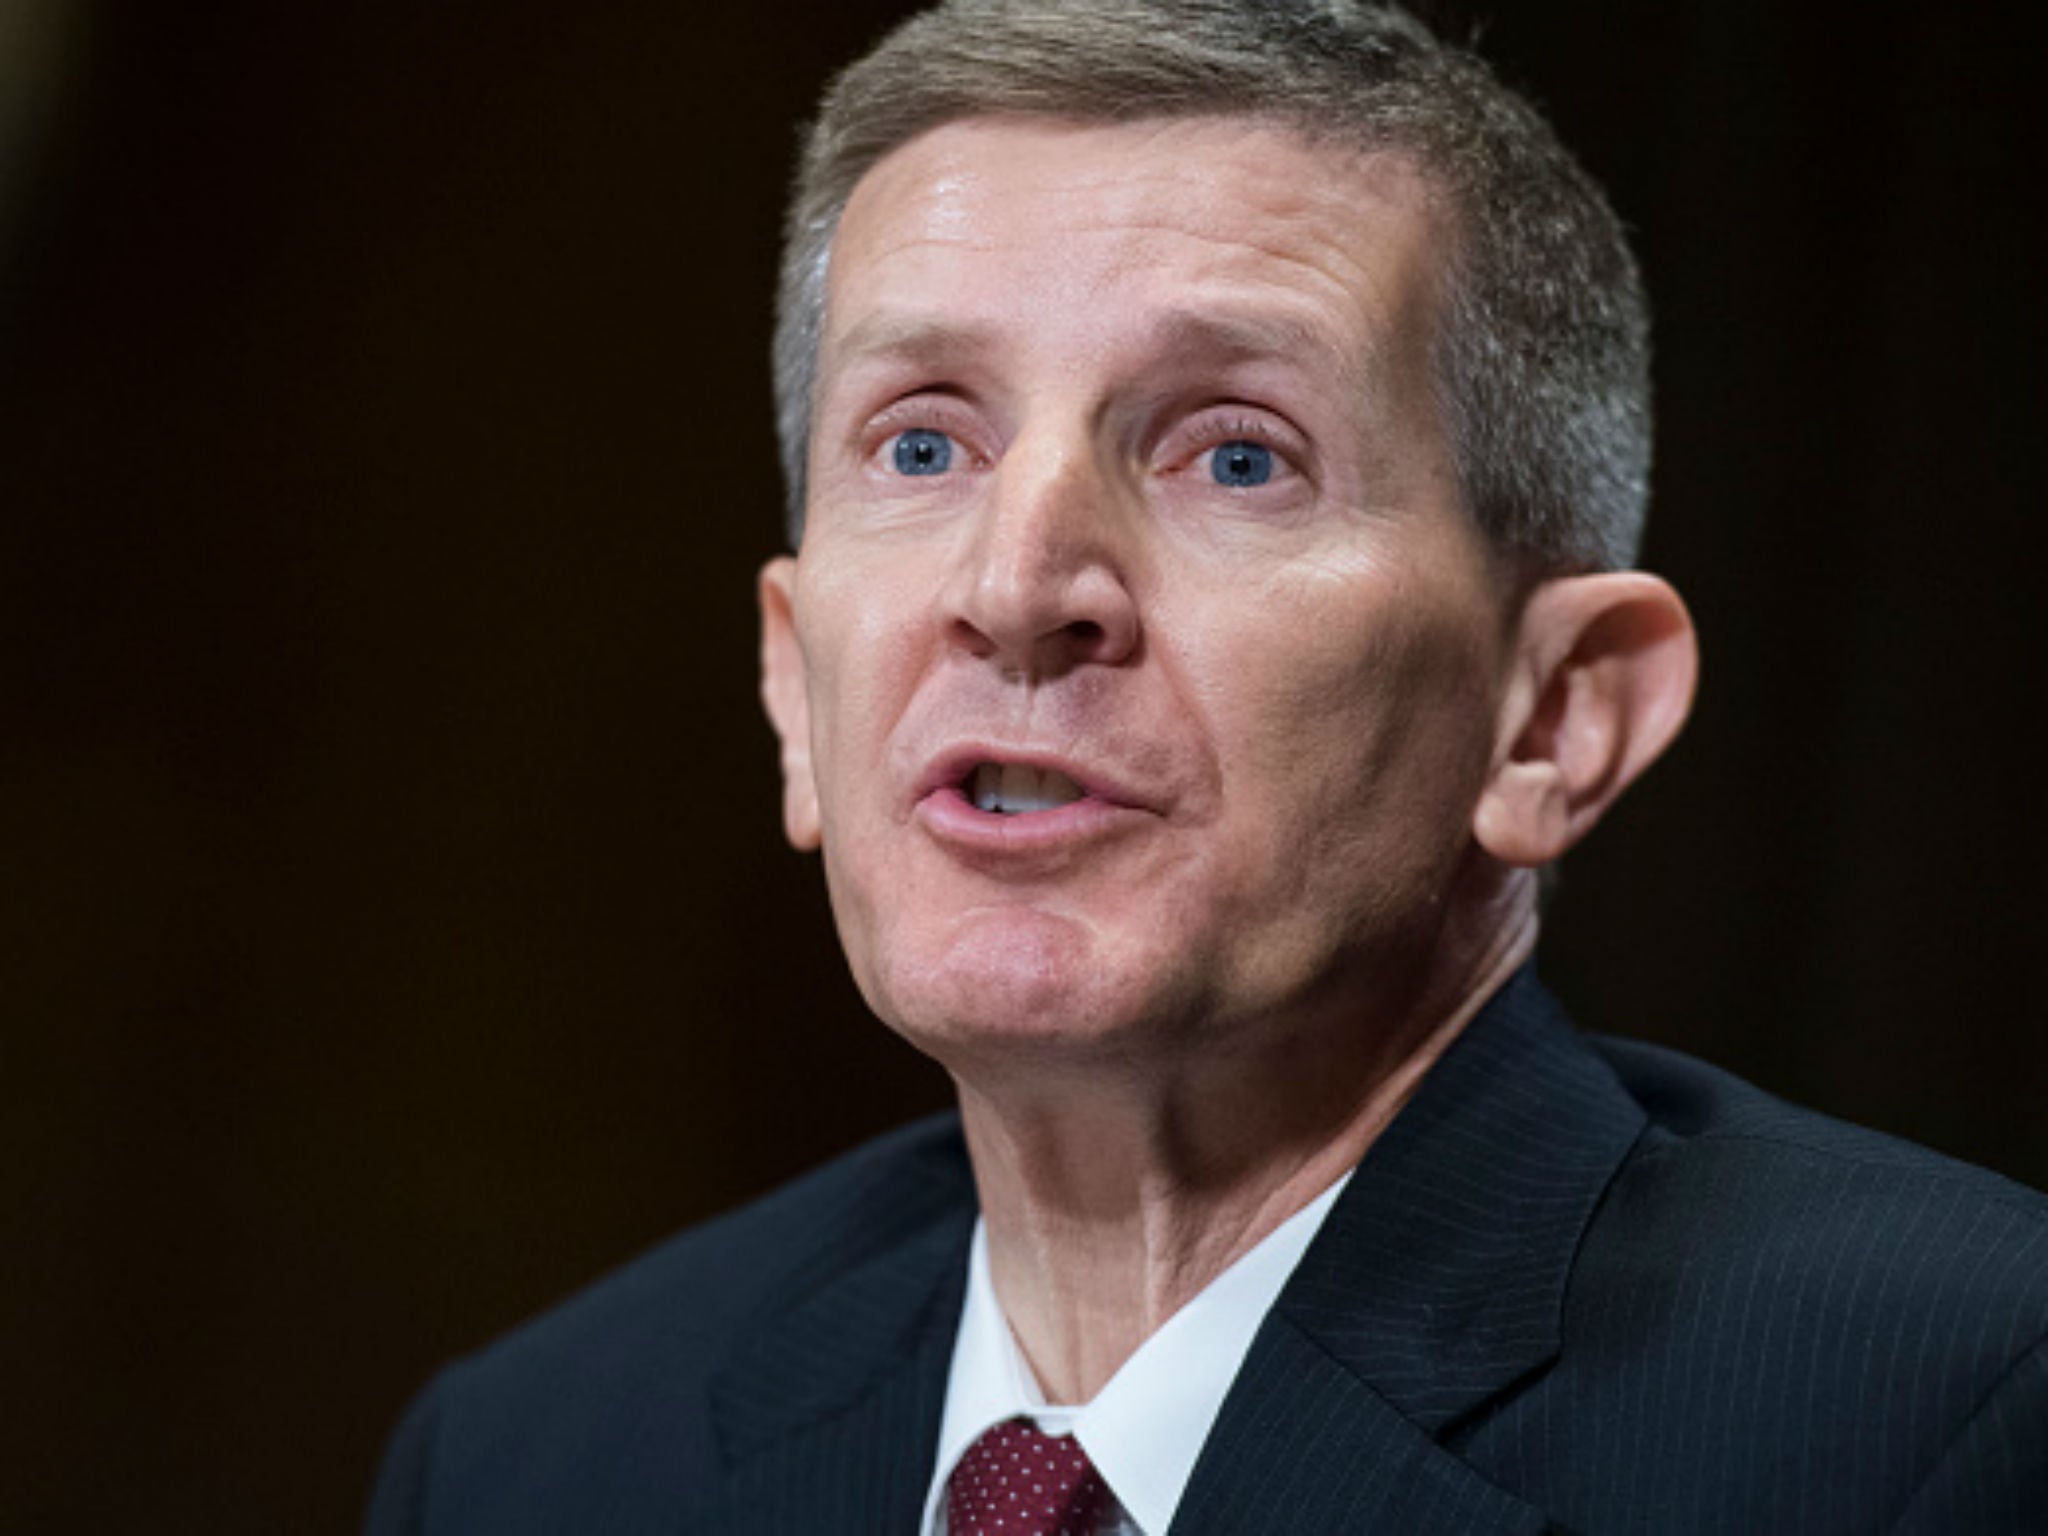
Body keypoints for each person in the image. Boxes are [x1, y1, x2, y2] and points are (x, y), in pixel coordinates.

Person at [366, 2, 2048, 1531]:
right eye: (925, 441)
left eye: (1237, 455)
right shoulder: (541, 1459)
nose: (1017, 588)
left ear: (1555, 717)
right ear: (793, 690)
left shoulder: (1949, 1412)